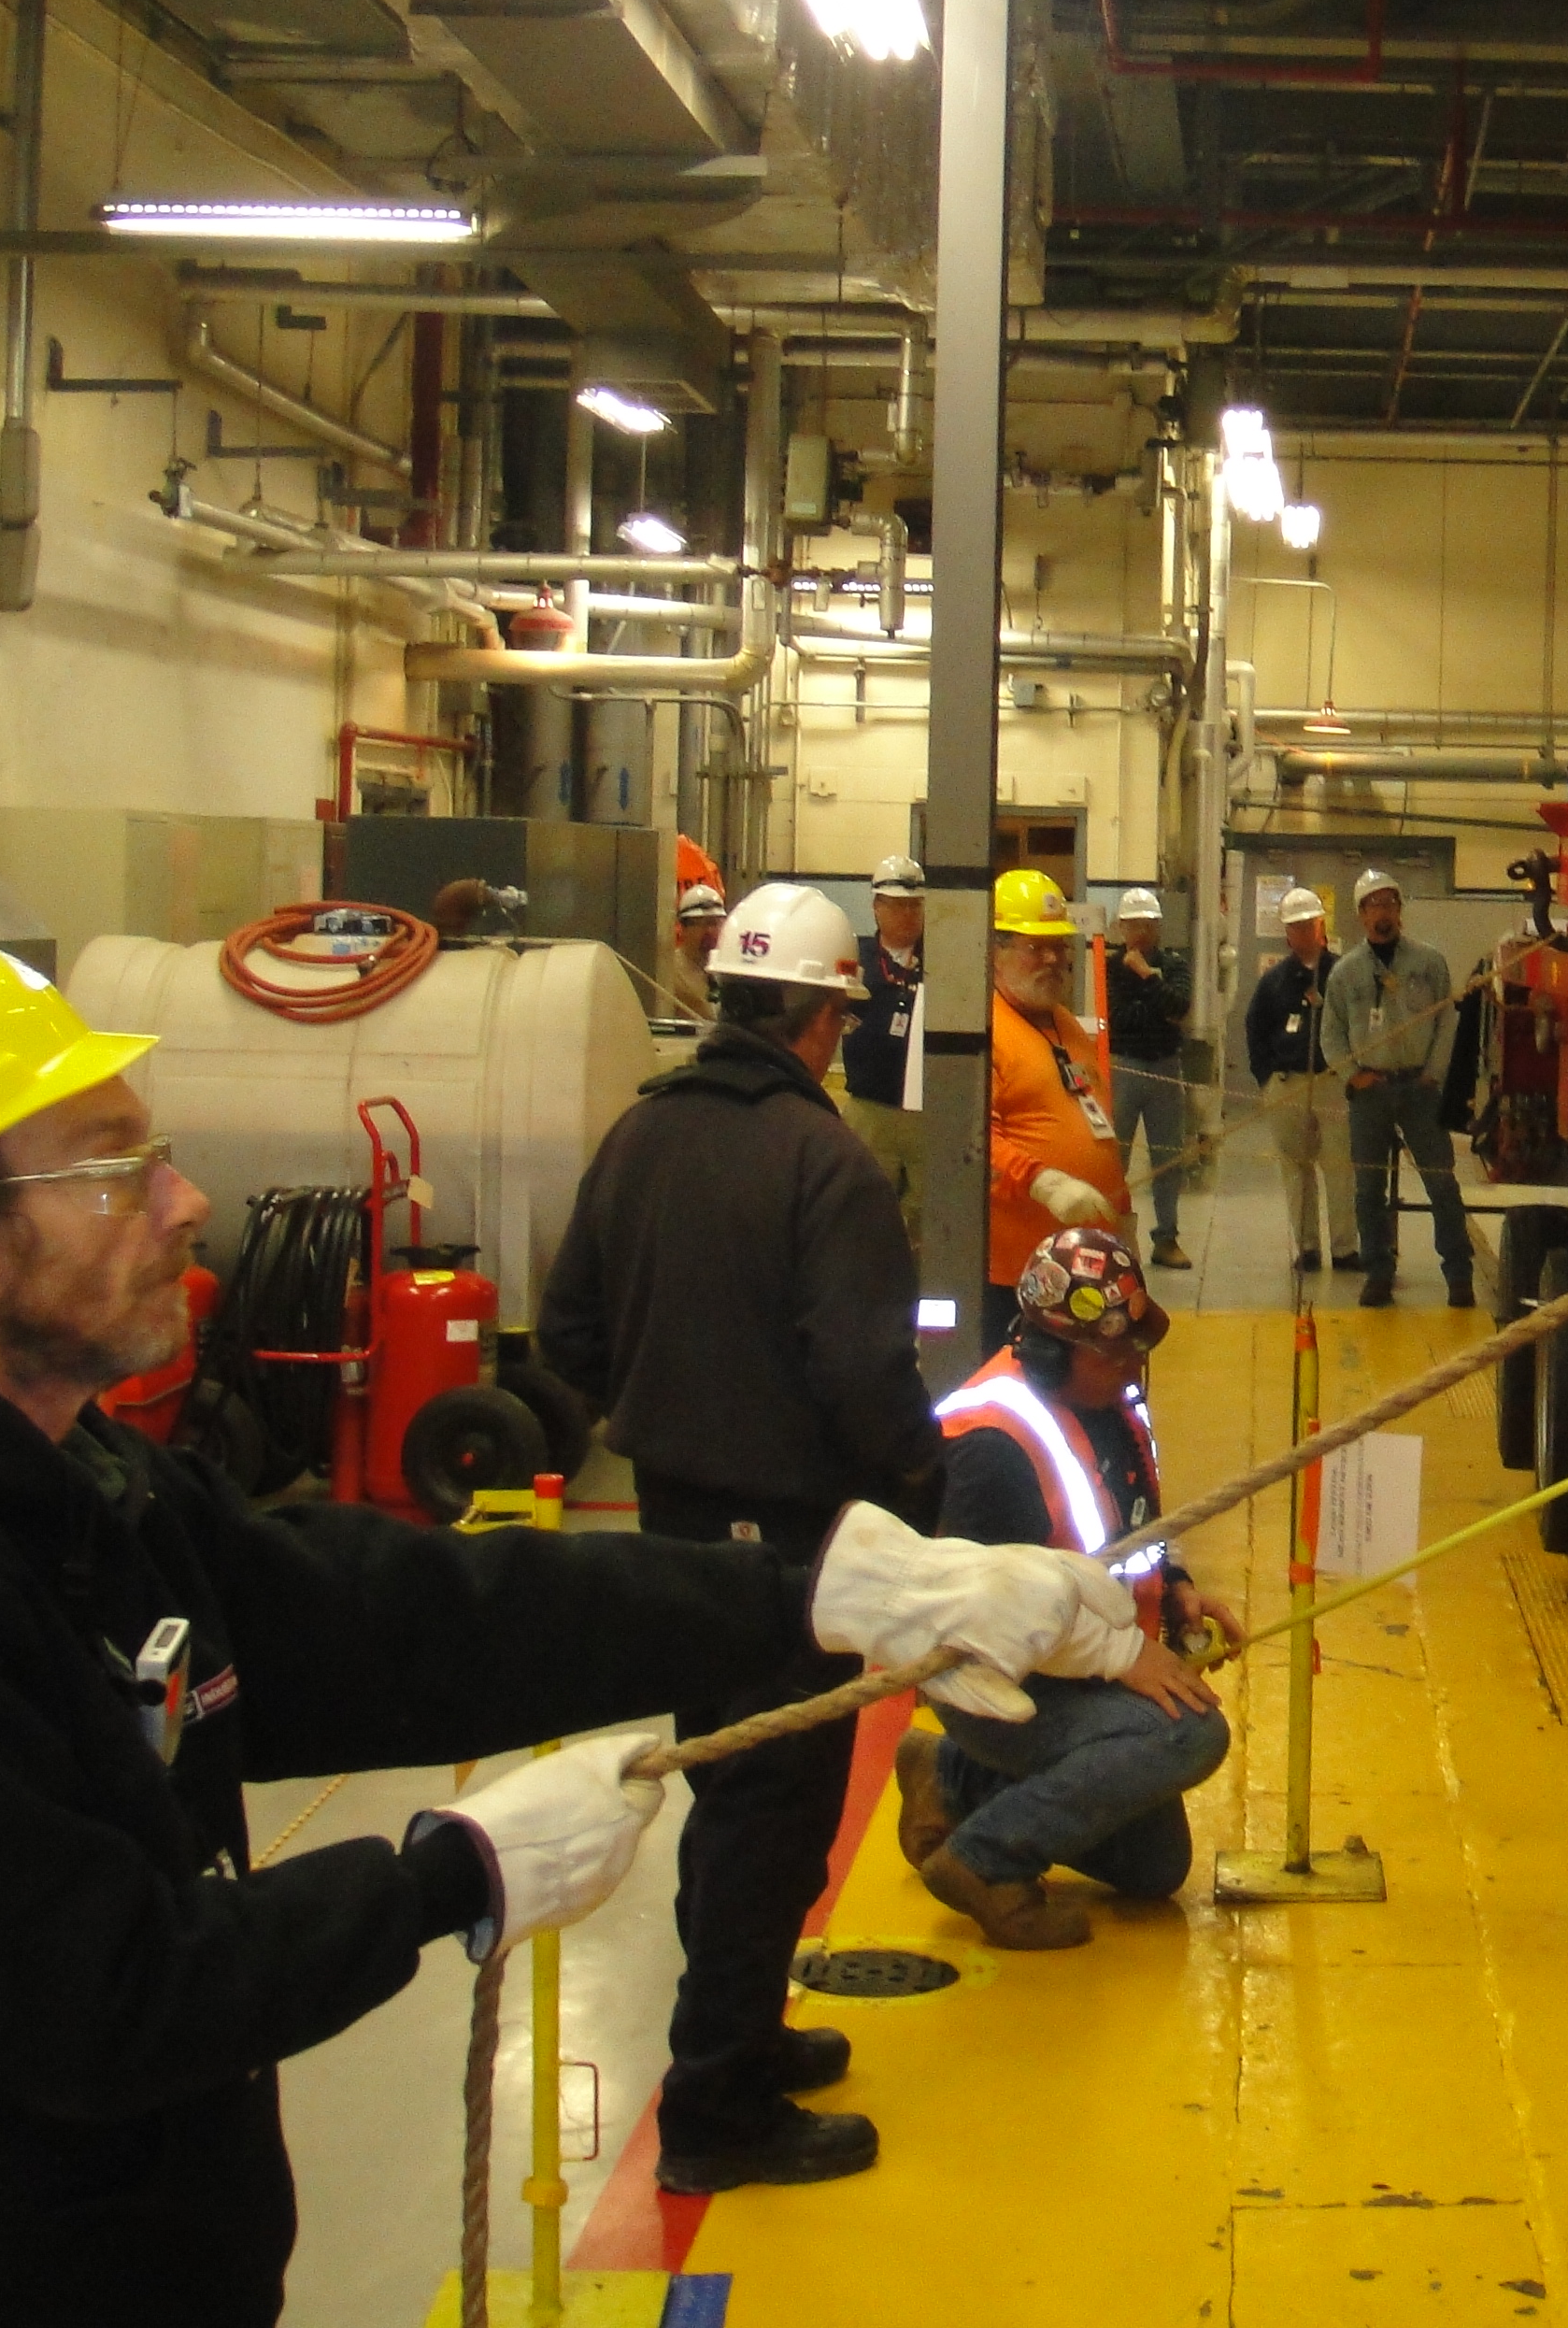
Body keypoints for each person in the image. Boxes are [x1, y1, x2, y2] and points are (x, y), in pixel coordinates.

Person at [0, 921, 1133, 2328]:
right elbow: (98, 1995)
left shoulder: (79, 1489)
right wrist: (449, 1877)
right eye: (118, 1169)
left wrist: (819, 1599)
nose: (183, 1203)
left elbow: (403, 1619)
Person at [538, 879, 941, 2194]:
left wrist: (666, 1417)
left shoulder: (639, 1135)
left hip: (674, 1524)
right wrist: (918, 1487)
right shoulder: (824, 1162)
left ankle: (744, 2035)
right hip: (793, 1546)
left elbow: (568, 1333)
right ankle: (717, 2109)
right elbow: (865, 1373)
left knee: (727, 1792)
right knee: (773, 1812)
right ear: (823, 1019)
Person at [897, 1229, 1239, 1948]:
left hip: (1079, 1673)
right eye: (1113, 1354)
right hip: (1001, 1687)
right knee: (1191, 1732)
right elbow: (988, 1618)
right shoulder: (994, 1446)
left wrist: (1174, 1587)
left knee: (1154, 1866)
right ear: (1050, 1352)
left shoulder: (1110, 1402)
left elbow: (1132, 1519)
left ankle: (951, 1780)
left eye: (1135, 1350)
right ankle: (982, 1862)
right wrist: (1124, 1658)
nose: (1132, 1365)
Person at [985, 867, 1130, 1345]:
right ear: (994, 951)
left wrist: (1122, 1213)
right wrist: (1044, 1182)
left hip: (1082, 1268)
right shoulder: (984, 1031)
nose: (1053, 959)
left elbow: (1097, 1120)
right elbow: (971, 1142)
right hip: (1015, 1276)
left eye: (1059, 946)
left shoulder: (1064, 1023)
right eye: (1036, 947)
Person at [1321, 868, 1474, 1309]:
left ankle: (1458, 1274)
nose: (1382, 912)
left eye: (1389, 903)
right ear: (1361, 914)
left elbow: (1447, 1022)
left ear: (1400, 910)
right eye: (1374, 905)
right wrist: (1352, 1075)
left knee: (1441, 1183)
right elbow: (1331, 1034)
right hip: (1369, 1093)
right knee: (1368, 1190)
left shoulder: (1429, 963)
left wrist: (1433, 1073)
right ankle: (1378, 1272)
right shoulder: (1345, 973)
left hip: (1419, 1089)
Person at [1244, 885, 1352, 1274]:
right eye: (1295, 927)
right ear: (1287, 933)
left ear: (1321, 925)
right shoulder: (1273, 981)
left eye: (1309, 924)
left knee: (1340, 1168)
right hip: (1287, 1084)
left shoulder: (1343, 974)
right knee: (1295, 1168)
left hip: (1333, 1082)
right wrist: (1267, 1080)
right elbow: (1255, 1028)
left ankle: (1345, 1248)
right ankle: (1307, 1247)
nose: (1303, 932)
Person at [840, 852, 928, 1246]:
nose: (907, 915)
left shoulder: (941, 960)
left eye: (915, 906)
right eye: (897, 906)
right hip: (869, 1108)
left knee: (926, 1220)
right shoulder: (854, 957)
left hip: (926, 1113)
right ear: (876, 906)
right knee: (864, 1216)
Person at [1105, 885, 1194, 1269]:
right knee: (1114, 1157)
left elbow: (1180, 1007)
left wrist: (1145, 976)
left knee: (1168, 1158)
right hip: (1123, 1067)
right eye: (1133, 925)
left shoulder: (1174, 964)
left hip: (1165, 1068)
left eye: (1147, 924)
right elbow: (1117, 1018)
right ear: (1121, 927)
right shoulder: (1109, 967)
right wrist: (1156, 1004)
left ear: (1158, 927)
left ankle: (1167, 1237)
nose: (1140, 932)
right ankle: (1109, 1234)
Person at [661, 878, 727, 1021]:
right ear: (683, 928)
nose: (710, 931)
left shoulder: (727, 968)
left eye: (716, 923)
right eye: (702, 924)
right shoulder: (668, 972)